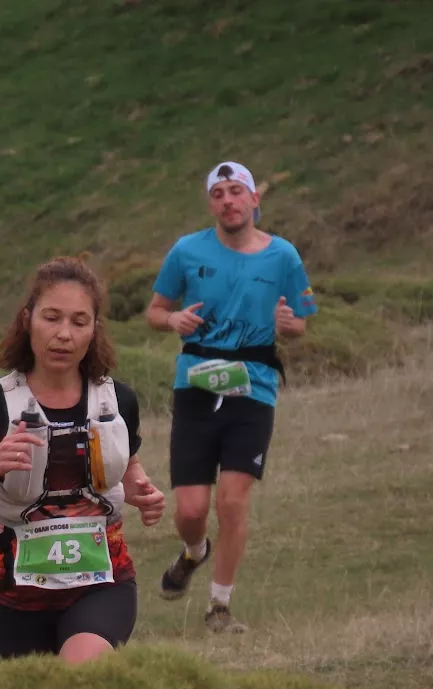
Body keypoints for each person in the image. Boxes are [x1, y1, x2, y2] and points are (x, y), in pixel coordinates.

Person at [0, 256, 166, 665]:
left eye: (79, 322)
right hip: (14, 599)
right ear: (28, 320)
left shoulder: (117, 400)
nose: (64, 335)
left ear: (95, 329)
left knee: (82, 675)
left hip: (102, 584)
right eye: (52, 318)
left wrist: (143, 492)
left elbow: (127, 468)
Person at [145, 160, 316, 633]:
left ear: (254, 200)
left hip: (254, 386)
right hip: (196, 383)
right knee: (192, 510)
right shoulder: (186, 251)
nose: (228, 200)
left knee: (233, 502)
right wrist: (172, 320)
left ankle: (219, 606)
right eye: (218, 193)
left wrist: (290, 327)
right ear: (210, 204)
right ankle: (194, 552)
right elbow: (155, 311)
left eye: (236, 190)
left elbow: (301, 323)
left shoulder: (283, 257)